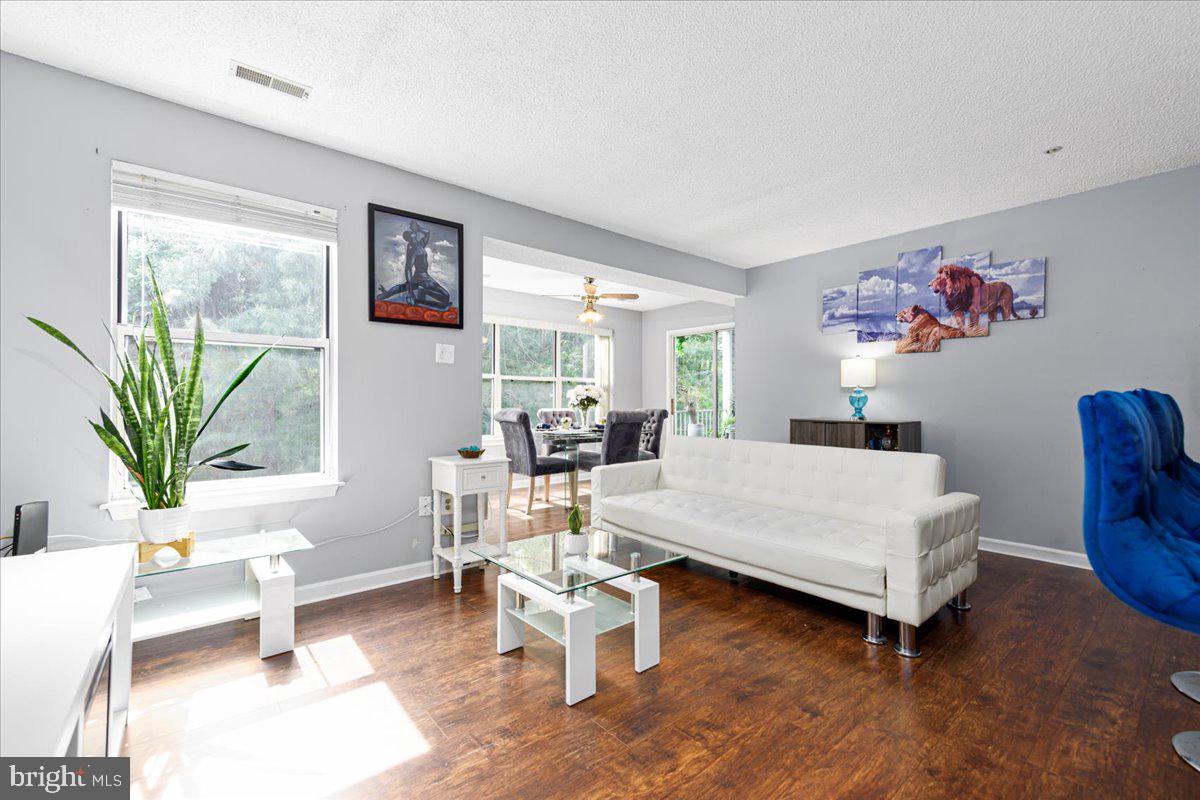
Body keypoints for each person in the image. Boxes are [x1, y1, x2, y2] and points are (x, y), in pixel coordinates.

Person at [376, 220, 453, 311]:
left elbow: (427, 232)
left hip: (422, 277)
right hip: (423, 279)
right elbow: (408, 268)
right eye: (412, 237)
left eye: (415, 235)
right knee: (446, 296)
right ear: (409, 239)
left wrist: (418, 227)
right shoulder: (413, 250)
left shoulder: (420, 244)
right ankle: (420, 293)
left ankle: (384, 295)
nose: (415, 237)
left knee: (402, 287)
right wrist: (410, 291)